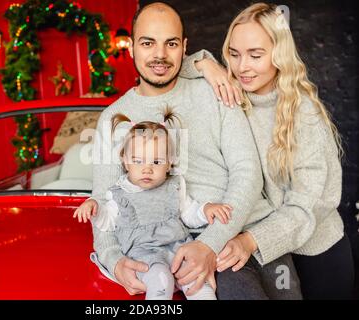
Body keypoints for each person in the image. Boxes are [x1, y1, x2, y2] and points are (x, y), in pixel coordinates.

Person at [84, 2, 301, 299]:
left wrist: (210, 243)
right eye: (148, 43)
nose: (160, 55)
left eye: (170, 43)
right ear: (131, 48)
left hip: (256, 229)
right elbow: (104, 200)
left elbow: (247, 172)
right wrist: (113, 259)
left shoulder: (216, 89)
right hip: (194, 237)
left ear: (184, 47)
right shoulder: (113, 118)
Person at [181, 2, 355, 299]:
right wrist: (204, 64)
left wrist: (250, 240)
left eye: (255, 55)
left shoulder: (303, 113)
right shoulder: (231, 94)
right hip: (269, 253)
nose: (242, 67)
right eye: (234, 54)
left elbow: (306, 206)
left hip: (314, 252)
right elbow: (168, 68)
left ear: (279, 54)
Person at [74, 110, 233, 299]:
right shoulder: (120, 193)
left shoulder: (174, 185)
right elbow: (109, 221)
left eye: (156, 161)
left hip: (178, 248)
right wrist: (95, 208)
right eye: (138, 161)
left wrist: (205, 209)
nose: (147, 168)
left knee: (199, 283)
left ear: (169, 163)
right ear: (125, 161)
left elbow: (189, 212)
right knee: (160, 281)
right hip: (144, 254)